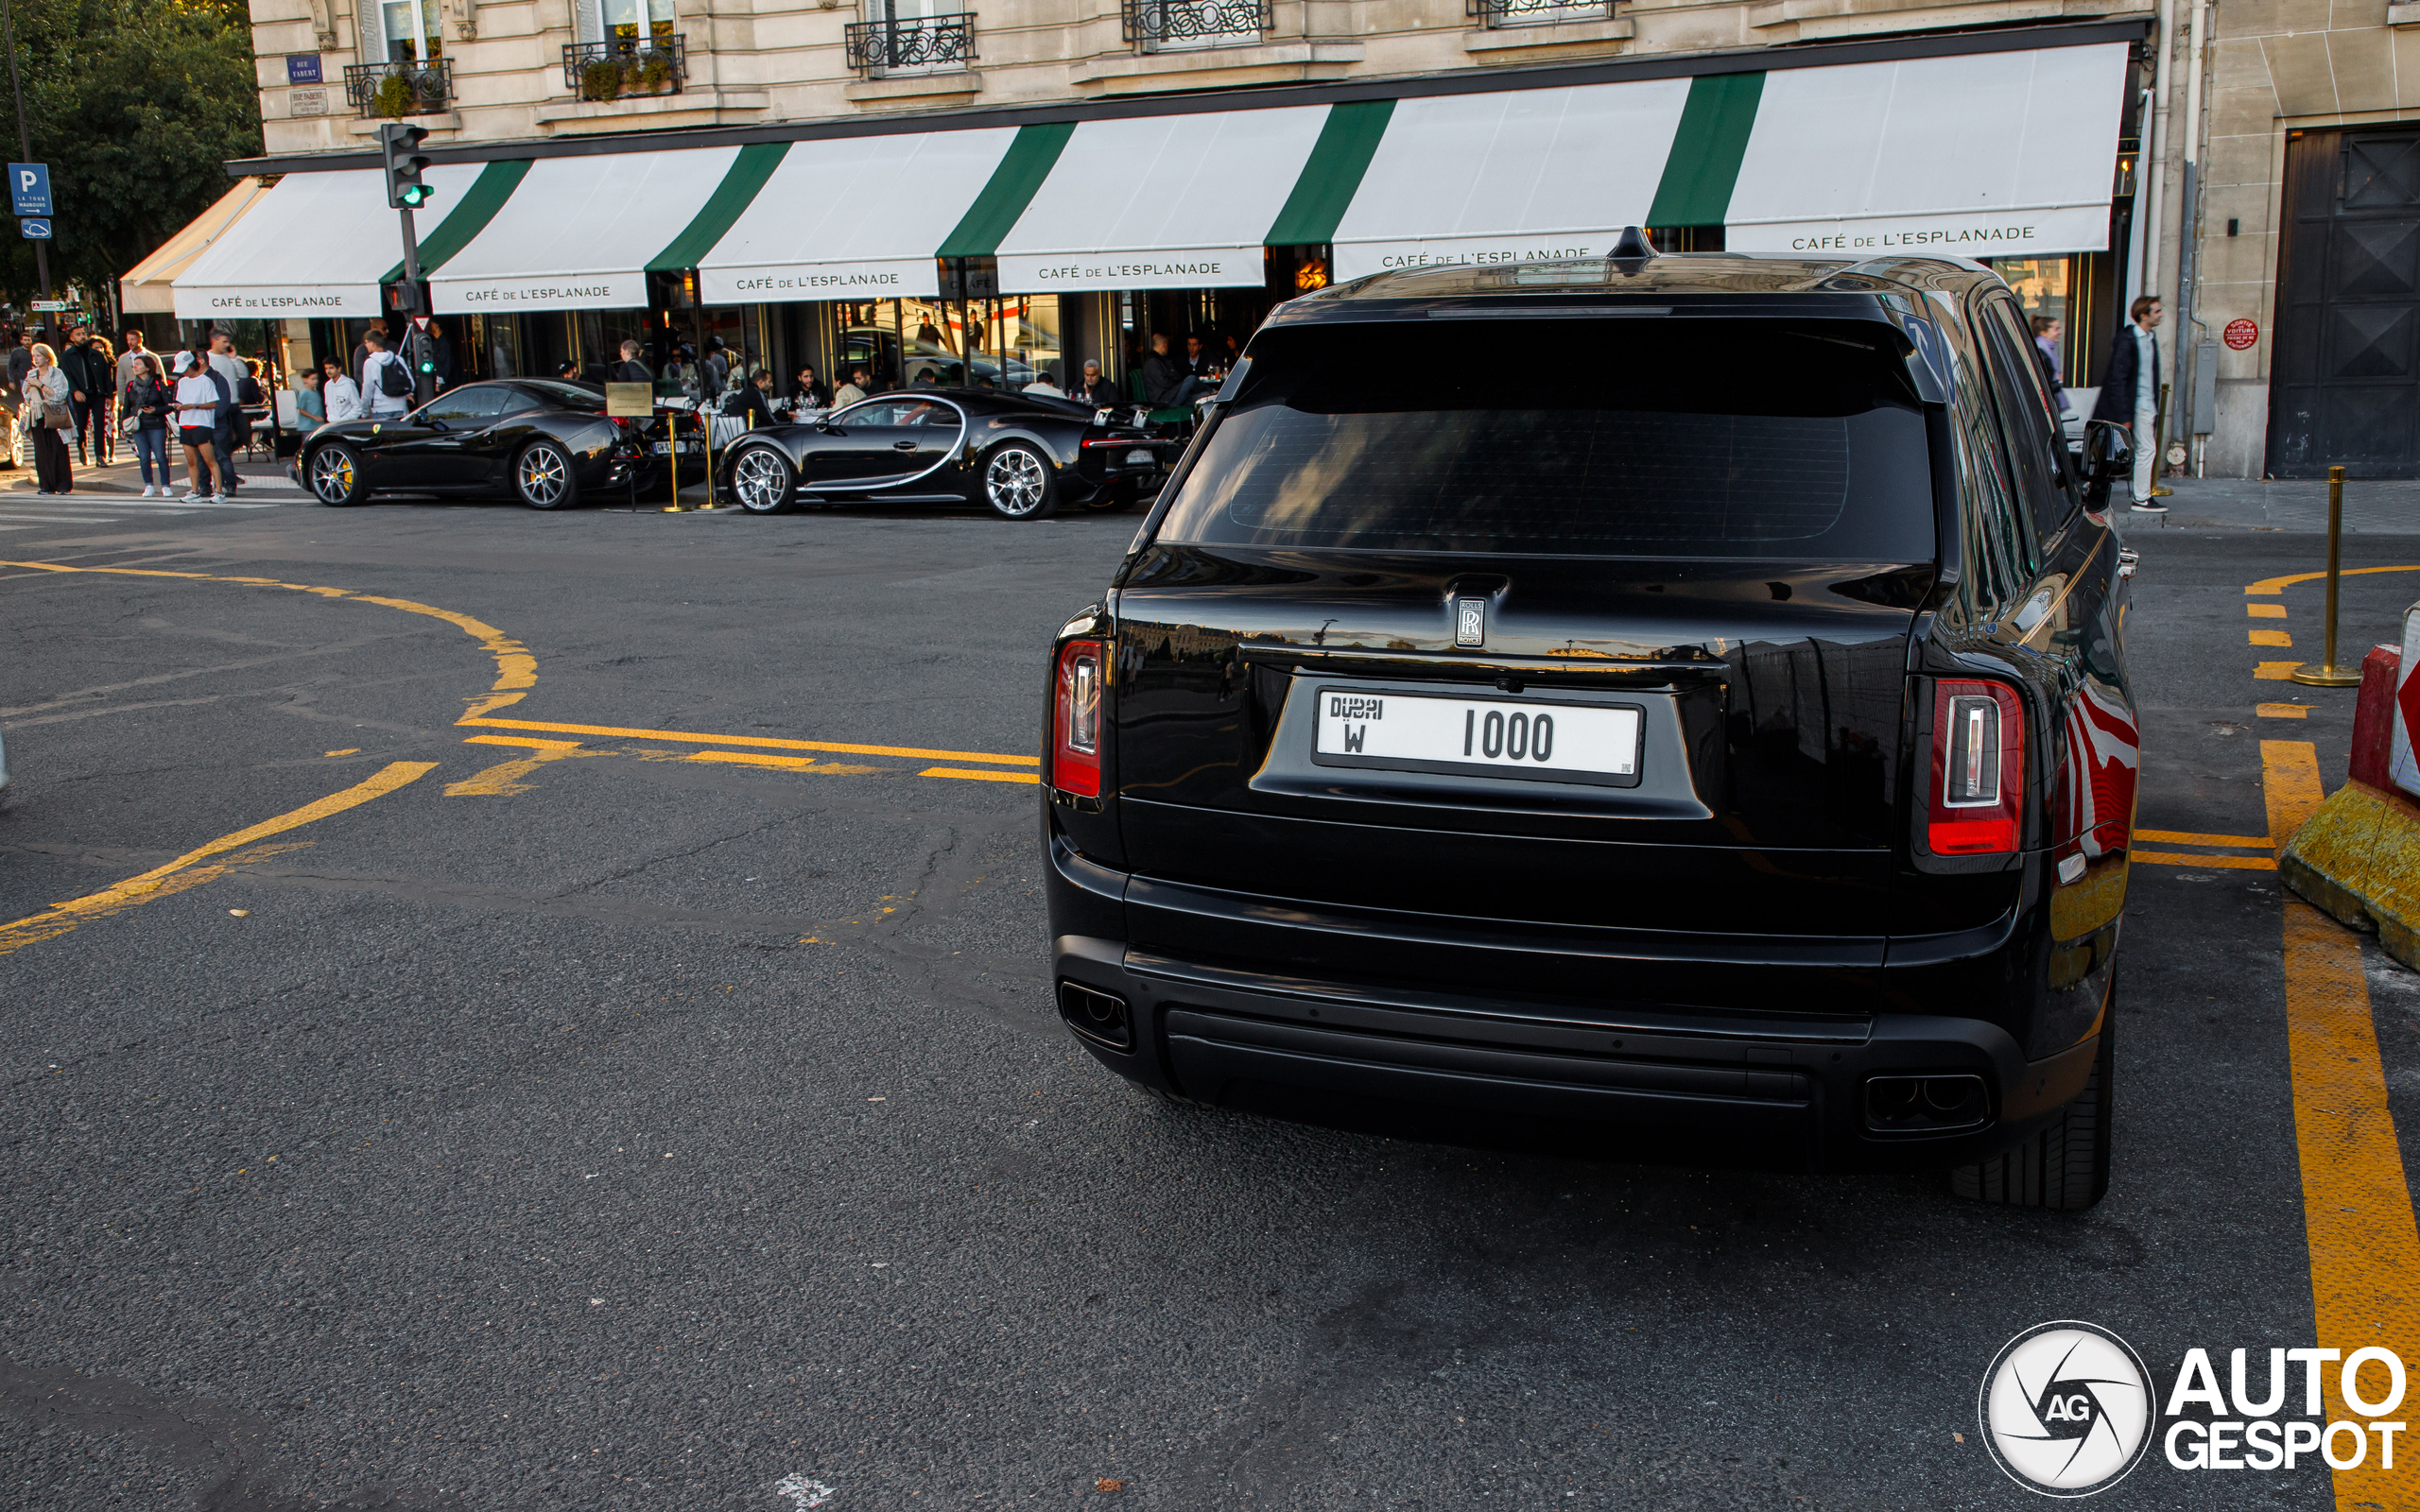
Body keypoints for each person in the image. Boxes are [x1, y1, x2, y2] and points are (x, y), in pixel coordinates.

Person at [2091, 295, 2165, 513]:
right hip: (2135, 405)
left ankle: (2100, 491)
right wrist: (2125, 415)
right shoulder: (2129, 340)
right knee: (2145, 450)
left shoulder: (2149, 339)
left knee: (2123, 451)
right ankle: (2142, 498)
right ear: (2144, 315)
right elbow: (2118, 379)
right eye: (2157, 311)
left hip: (2145, 404)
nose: (2161, 315)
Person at [171, 341, 229, 501]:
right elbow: (180, 400)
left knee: (210, 460)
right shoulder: (182, 382)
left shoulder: (206, 381)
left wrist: (194, 406)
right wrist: (179, 407)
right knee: (191, 462)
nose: (184, 373)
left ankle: (219, 491)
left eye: (186, 369)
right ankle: (195, 491)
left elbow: (214, 403)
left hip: (202, 424)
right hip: (186, 423)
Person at [21, 341, 74, 493]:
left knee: (58, 449)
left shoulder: (56, 373)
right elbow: (26, 396)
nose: (36, 359)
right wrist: (30, 388)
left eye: (39, 356)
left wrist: (41, 385)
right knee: (41, 451)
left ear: (47, 357)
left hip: (54, 414)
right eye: (34, 356)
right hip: (37, 415)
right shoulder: (31, 374)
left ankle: (63, 484)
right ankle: (46, 485)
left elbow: (60, 394)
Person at [122, 352, 177, 496]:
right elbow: (126, 406)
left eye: (138, 364)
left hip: (156, 424)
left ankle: (165, 485)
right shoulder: (130, 386)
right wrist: (123, 423)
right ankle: (149, 485)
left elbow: (170, 405)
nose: (135, 367)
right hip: (138, 425)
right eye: (134, 364)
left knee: (160, 456)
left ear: (147, 367)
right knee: (144, 456)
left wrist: (155, 410)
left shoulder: (158, 384)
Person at [61, 323, 111, 465]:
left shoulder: (96, 354)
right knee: (81, 424)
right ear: (71, 338)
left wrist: (109, 396)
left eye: (83, 333)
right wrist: (75, 390)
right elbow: (66, 375)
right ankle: (81, 447)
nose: (82, 336)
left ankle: (100, 455)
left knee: (99, 424)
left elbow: (106, 375)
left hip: (98, 394)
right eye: (78, 334)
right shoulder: (68, 356)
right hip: (80, 394)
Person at [360, 330, 412, 421]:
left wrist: (364, 412)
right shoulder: (398, 359)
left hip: (381, 409)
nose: (365, 345)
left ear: (373, 343)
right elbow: (411, 383)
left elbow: (367, 389)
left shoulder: (370, 363)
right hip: (401, 407)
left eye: (366, 342)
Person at [1139, 333, 1200, 409]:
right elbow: (1164, 383)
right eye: (1167, 345)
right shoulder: (1152, 362)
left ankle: (1211, 393)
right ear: (1163, 345)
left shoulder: (1161, 360)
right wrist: (1180, 385)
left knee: (1204, 395)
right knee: (1191, 379)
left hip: (1172, 396)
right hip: (1164, 401)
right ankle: (1212, 391)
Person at [2031, 315, 2070, 416]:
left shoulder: (2046, 350)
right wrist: (2058, 382)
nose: (2060, 332)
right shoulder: (2041, 352)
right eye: (2056, 329)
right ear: (2044, 332)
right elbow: (2042, 385)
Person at [728, 366, 779, 430]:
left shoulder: (748, 391)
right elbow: (770, 419)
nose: (771, 384)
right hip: (748, 432)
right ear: (761, 382)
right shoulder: (757, 393)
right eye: (769, 381)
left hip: (737, 430)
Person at [351, 319, 389, 390]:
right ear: (374, 328)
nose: (387, 331)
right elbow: (358, 373)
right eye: (384, 328)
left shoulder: (393, 347)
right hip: (375, 391)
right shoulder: (362, 350)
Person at [320, 357, 362, 422]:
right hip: (333, 424)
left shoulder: (348, 384)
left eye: (331, 368)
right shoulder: (327, 385)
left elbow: (358, 407)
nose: (328, 371)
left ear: (339, 368)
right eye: (326, 368)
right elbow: (328, 405)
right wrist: (330, 418)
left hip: (347, 424)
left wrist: (343, 419)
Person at [424, 318, 458, 391]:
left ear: (436, 325)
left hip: (444, 384)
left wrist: (439, 381)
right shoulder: (436, 342)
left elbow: (445, 362)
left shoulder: (444, 342)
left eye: (431, 324)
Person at [293, 366, 325, 430]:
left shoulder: (316, 392)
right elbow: (301, 410)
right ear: (305, 379)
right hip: (308, 427)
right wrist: (314, 417)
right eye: (313, 379)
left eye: (316, 379)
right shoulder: (304, 393)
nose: (316, 381)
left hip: (318, 425)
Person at [7, 328, 31, 394]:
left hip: (38, 378)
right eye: (25, 340)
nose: (27, 342)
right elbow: (11, 366)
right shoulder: (17, 352)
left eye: (29, 340)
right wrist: (11, 380)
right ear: (21, 341)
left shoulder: (35, 350)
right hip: (24, 379)